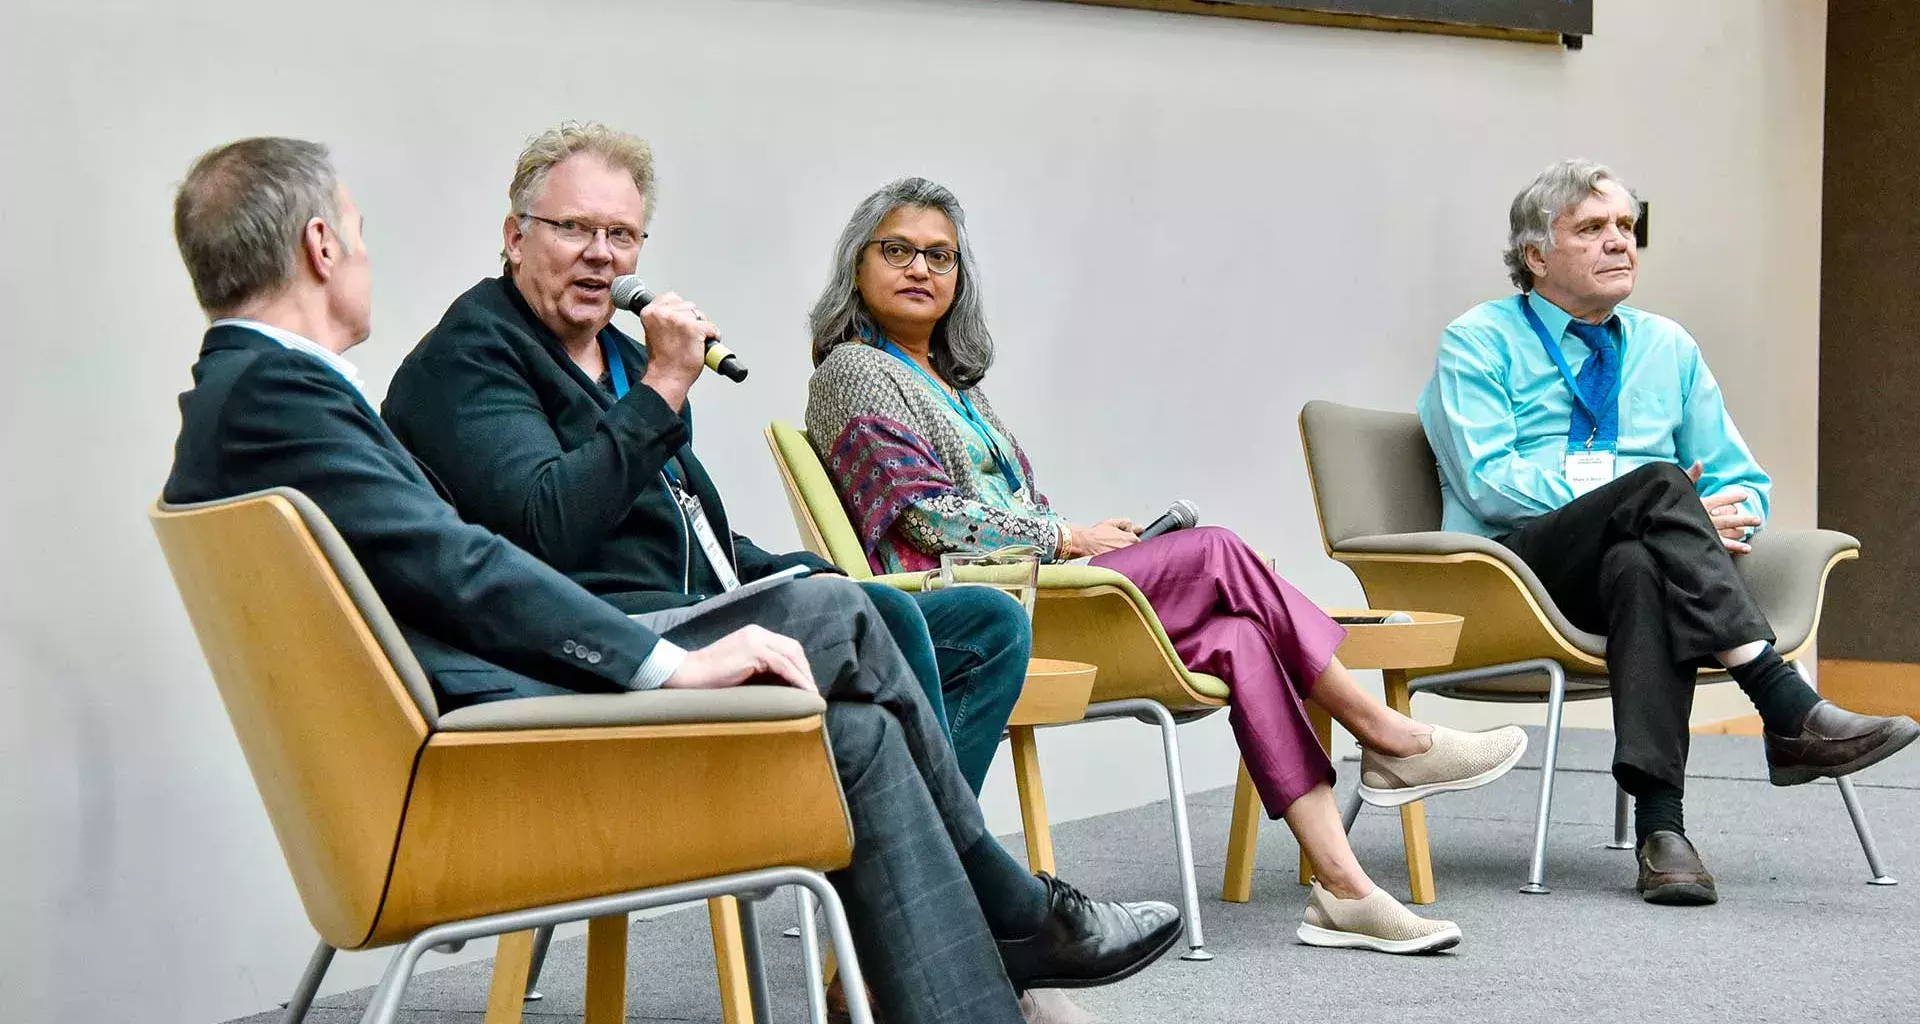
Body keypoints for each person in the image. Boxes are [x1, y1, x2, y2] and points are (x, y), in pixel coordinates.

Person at [162, 137, 1181, 1024]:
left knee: (863, 709)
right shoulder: (288, 396)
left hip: (501, 709)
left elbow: (554, 547)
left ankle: (976, 968)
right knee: (843, 610)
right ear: (320, 249)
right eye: (358, 229)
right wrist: (661, 663)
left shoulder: (252, 396)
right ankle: (1013, 908)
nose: (605, 256)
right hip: (498, 750)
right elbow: (471, 562)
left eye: (625, 235)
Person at [804, 177, 1528, 954]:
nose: (920, 268)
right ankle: (1385, 735)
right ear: (857, 266)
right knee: (1217, 549)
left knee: (1246, 638)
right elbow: (927, 516)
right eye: (898, 250)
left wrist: (1087, 535)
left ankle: (1344, 888)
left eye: (940, 256)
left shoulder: (956, 386)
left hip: (1036, 591)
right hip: (973, 611)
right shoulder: (854, 369)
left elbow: (1010, 510)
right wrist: (1071, 537)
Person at [382, 123, 1023, 796]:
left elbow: (693, 531)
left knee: (988, 624)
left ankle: (912, 863)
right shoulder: (473, 354)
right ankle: (969, 879)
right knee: (874, 621)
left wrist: (802, 572)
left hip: (699, 613)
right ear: (516, 237)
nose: (601, 256)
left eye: (622, 235)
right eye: (574, 229)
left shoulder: (627, 360)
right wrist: (664, 388)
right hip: (604, 643)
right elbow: (547, 525)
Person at [1417, 157, 1920, 905]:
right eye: (1591, 228)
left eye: (1626, 226)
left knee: (1639, 563)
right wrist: (1657, 497)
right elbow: (1491, 482)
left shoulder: (1667, 347)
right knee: (1655, 483)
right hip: (1516, 572)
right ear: (1535, 255)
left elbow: (1742, 482)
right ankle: (1782, 703)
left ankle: (1663, 831)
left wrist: (1692, 516)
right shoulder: (1478, 340)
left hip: (1622, 577)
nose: (1620, 242)